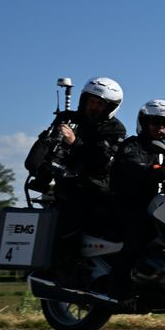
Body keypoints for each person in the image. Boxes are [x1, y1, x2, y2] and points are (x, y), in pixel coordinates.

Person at [27, 77, 127, 265]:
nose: (93, 107)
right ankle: (65, 271)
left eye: (99, 104)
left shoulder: (115, 130)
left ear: (110, 108)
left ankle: (77, 267)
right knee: (65, 220)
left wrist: (74, 142)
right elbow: (45, 153)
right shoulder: (69, 120)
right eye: (91, 101)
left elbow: (102, 162)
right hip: (66, 188)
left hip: (95, 190)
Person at [109, 99, 165, 297]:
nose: (161, 129)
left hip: (153, 204)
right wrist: (152, 169)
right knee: (140, 231)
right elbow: (130, 164)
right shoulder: (133, 145)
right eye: (156, 123)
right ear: (144, 123)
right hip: (126, 204)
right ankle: (118, 287)